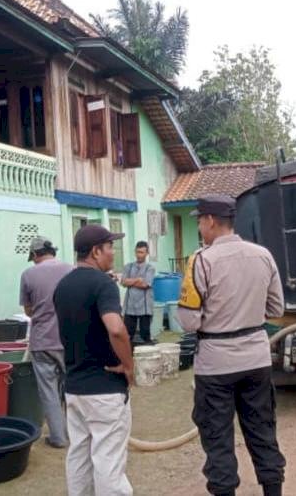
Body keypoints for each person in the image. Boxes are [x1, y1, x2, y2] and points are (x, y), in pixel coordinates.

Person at [177, 195, 286, 496]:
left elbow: (189, 323)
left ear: (210, 221)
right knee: (263, 431)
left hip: (216, 365)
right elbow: (276, 309)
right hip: (256, 359)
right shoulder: (263, 255)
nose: (199, 227)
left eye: (199, 221)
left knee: (218, 438)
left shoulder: (201, 260)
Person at [54, 224, 135, 496]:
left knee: (79, 456)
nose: (113, 253)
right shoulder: (103, 284)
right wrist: (128, 365)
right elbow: (115, 328)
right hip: (105, 389)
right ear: (95, 251)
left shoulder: (63, 286)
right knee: (108, 462)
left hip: (74, 389)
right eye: (109, 247)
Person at [19, 236, 73, 448]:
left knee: (49, 391)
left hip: (42, 341)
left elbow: (28, 310)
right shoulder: (70, 270)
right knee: (71, 389)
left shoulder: (28, 274)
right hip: (69, 340)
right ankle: (75, 433)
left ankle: (58, 438)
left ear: (34, 254)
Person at [121, 241, 156, 345]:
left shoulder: (150, 268)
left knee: (145, 335)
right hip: (130, 306)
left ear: (147, 253)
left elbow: (145, 284)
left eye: (141, 252)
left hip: (145, 307)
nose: (139, 255)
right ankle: (129, 358)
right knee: (127, 335)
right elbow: (123, 282)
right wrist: (138, 280)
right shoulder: (128, 266)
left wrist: (130, 281)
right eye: (137, 252)